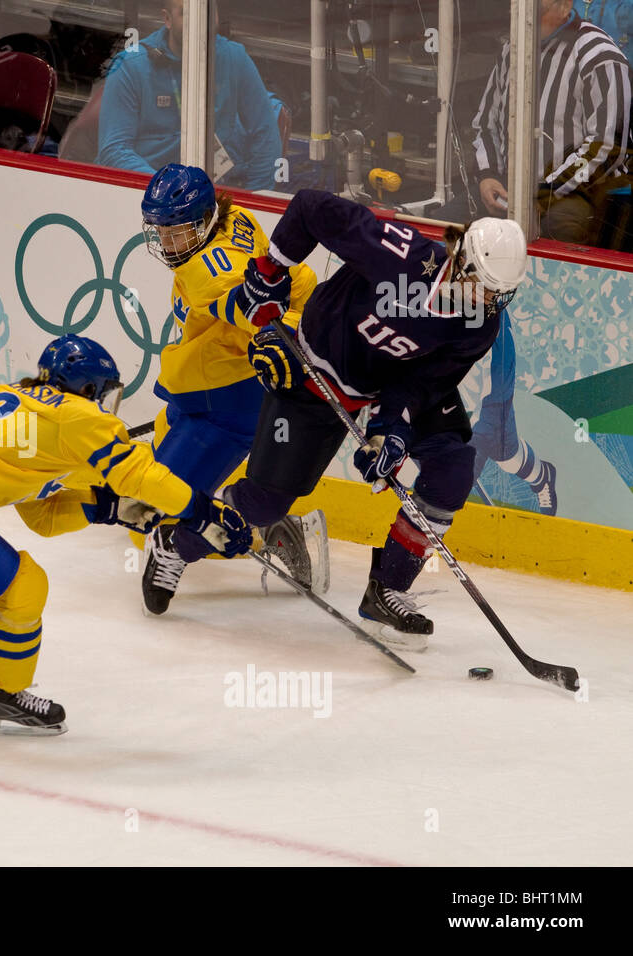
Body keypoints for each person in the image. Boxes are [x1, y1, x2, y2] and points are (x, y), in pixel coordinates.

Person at [0, 334, 254, 735]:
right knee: (25, 584)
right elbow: (138, 473)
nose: (103, 402)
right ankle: (4, 697)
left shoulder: (14, 400)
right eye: (103, 392)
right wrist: (202, 512)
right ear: (88, 387)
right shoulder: (77, 415)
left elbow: (40, 515)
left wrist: (108, 509)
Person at [220, 190, 528, 650]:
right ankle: (187, 527)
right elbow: (308, 207)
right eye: (484, 287)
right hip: (322, 365)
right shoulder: (400, 256)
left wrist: (393, 431)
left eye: (499, 294)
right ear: (460, 263)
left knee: (452, 468)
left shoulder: (480, 325)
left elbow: (424, 384)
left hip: (387, 383)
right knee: (264, 505)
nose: (488, 302)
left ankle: (386, 590)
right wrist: (271, 271)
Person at [136, 163, 326, 614]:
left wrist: (294, 333)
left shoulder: (210, 272)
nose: (166, 243)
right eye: (160, 230)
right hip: (197, 380)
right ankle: (266, 519)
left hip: (229, 398)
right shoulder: (234, 217)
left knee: (163, 507)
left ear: (202, 224)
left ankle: (264, 531)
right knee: (149, 498)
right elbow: (288, 282)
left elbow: (259, 312)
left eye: (176, 232)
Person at [471, 0, 632, 245]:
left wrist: (546, 192)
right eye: (518, 10)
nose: (523, 19)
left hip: (580, 193)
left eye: (536, 11)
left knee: (557, 229)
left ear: (565, 6)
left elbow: (609, 147)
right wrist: (488, 175)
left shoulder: (600, 57)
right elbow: (486, 123)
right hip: (508, 188)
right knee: (448, 223)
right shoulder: (511, 49)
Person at [97, 0, 282, 190]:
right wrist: (173, 190)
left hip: (214, 192)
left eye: (209, 12)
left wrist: (253, 198)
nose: (202, 23)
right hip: (149, 191)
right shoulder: (131, 66)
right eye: (186, 14)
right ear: (167, 19)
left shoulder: (234, 58)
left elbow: (266, 135)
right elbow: (114, 151)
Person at [469, 308, 558, 515]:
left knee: (506, 456)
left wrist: (467, 465)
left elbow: (491, 412)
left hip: (487, 394)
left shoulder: (487, 317)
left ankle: (542, 476)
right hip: (457, 380)